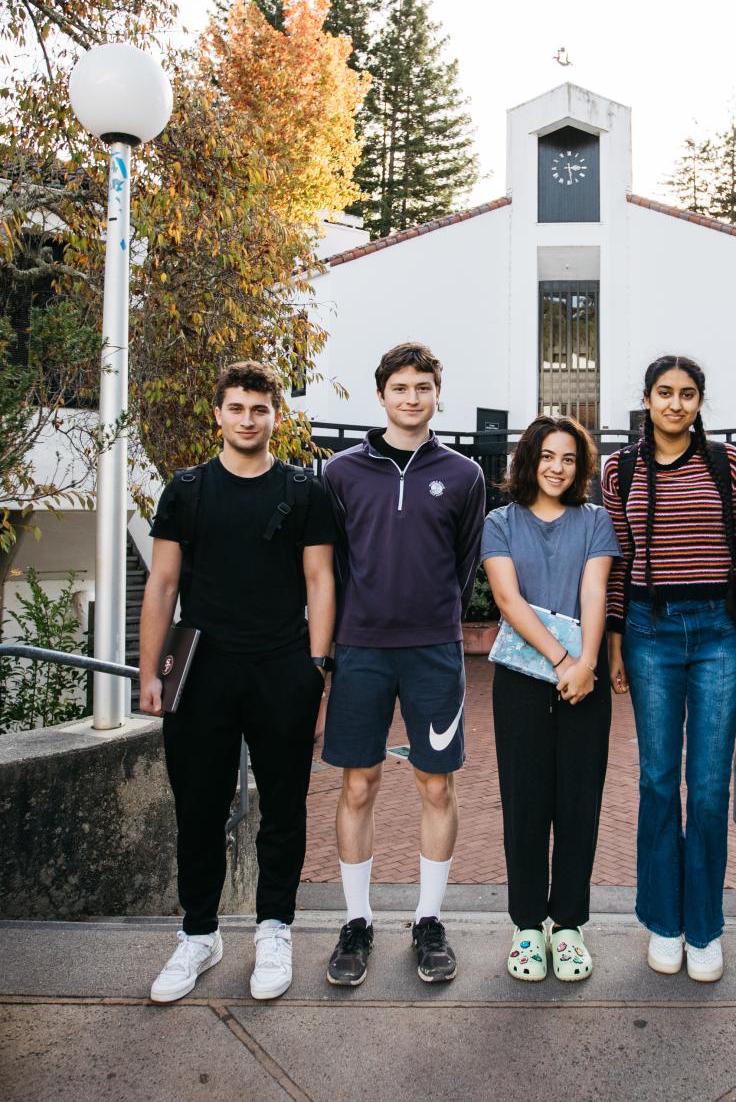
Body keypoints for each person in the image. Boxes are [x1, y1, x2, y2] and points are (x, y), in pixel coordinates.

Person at [140, 360, 339, 1004]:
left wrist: (318, 668)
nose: (248, 419)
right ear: (219, 415)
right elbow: (162, 584)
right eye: (237, 408)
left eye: (260, 409)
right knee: (199, 806)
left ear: (275, 416)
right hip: (201, 666)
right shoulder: (188, 490)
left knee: (284, 807)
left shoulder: (305, 492)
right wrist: (150, 672)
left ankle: (274, 929)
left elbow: (320, 581)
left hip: (284, 664)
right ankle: (199, 934)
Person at [320, 342, 486, 987]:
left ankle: (427, 921)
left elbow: (465, 561)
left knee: (436, 784)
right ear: (381, 394)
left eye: (423, 387)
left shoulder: (465, 475)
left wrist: (431, 614)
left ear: (437, 394)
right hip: (360, 649)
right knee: (357, 784)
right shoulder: (339, 473)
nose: (411, 398)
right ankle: (357, 922)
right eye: (400, 388)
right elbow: (331, 565)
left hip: (433, 651)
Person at [601, 354, 736, 983]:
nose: (675, 404)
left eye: (687, 394)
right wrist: (614, 641)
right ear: (646, 399)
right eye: (664, 393)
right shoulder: (621, 468)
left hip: (722, 631)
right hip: (649, 630)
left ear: (700, 402)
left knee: (712, 784)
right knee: (660, 781)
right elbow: (615, 558)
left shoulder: (728, 464)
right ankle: (664, 924)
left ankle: (705, 928)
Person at [482, 415, 620, 982]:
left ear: (579, 465)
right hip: (522, 680)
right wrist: (563, 661)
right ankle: (525, 927)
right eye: (547, 457)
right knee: (525, 803)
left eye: (568, 458)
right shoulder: (500, 522)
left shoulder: (595, 521)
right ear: (528, 461)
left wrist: (587, 664)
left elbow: (595, 589)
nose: (557, 468)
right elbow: (508, 600)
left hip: (584, 682)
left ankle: (567, 927)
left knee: (579, 805)